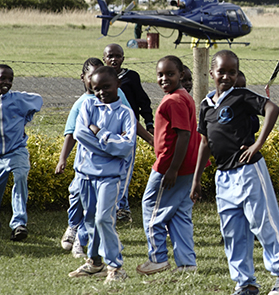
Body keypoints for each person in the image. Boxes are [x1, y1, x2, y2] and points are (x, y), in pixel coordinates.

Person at [190, 50, 279, 295]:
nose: (227, 76)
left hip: (248, 171)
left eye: (232, 72)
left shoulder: (240, 96)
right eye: (222, 71)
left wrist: (258, 144)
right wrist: (196, 178)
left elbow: (273, 108)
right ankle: (245, 283)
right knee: (233, 231)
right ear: (211, 73)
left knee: (264, 224)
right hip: (223, 176)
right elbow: (205, 143)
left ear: (237, 74)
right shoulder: (206, 106)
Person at [57, 59, 134, 258]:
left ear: (117, 84)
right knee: (89, 215)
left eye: (105, 87)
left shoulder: (125, 112)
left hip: (109, 175)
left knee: (103, 218)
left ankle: (112, 260)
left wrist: (100, 133)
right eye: (96, 88)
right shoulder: (87, 104)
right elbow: (80, 133)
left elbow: (126, 146)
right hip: (85, 173)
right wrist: (111, 147)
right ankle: (92, 256)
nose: (100, 92)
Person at [137, 56, 201, 275]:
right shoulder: (183, 97)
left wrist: (172, 169)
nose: (164, 78)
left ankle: (158, 258)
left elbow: (184, 135)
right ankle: (187, 264)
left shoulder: (173, 100)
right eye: (160, 75)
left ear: (181, 74)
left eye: (170, 74)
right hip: (187, 166)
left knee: (152, 207)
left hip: (170, 167)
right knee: (179, 214)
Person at [103, 43, 154, 223]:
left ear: (123, 58)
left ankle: (122, 209)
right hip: (108, 132)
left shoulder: (131, 77)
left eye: (118, 56)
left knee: (125, 170)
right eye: (110, 56)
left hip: (128, 131)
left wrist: (149, 123)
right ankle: (111, 206)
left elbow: (143, 101)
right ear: (104, 59)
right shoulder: (100, 80)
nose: (114, 59)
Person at [0, 64, 42, 242]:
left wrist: (26, 118)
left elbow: (38, 100)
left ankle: (19, 224)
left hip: (16, 151)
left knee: (20, 176)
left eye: (10, 79)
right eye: (3, 78)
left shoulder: (16, 99)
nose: (7, 82)